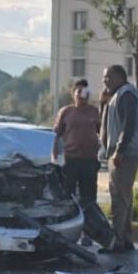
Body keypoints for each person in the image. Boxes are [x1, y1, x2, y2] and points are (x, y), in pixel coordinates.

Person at [98, 64, 138, 254]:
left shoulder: (126, 94)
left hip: (125, 152)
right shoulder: (117, 95)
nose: (105, 80)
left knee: (118, 196)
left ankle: (117, 240)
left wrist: (120, 150)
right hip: (122, 151)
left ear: (120, 77)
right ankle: (125, 238)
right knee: (124, 196)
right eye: (104, 77)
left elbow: (129, 123)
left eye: (108, 77)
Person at [52, 79, 101, 245]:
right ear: (73, 94)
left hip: (89, 161)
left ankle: (88, 233)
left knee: (89, 198)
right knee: (68, 197)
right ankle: (67, 232)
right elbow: (57, 136)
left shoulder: (95, 112)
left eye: (85, 91)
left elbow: (103, 132)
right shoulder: (66, 112)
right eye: (79, 91)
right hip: (70, 161)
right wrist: (55, 157)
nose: (82, 94)